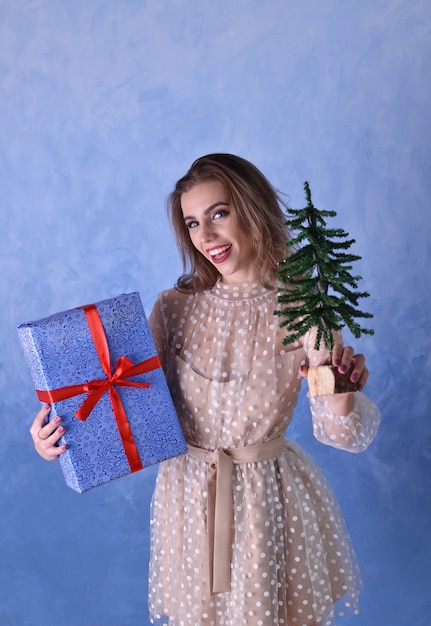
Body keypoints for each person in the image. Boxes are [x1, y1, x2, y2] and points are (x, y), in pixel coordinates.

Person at [30, 154, 381, 626]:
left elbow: (340, 434)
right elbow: (123, 404)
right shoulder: (174, 309)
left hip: (264, 500)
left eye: (219, 213)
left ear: (251, 208)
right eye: (193, 223)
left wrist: (340, 392)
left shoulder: (304, 306)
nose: (206, 236)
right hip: (187, 498)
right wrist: (58, 434)